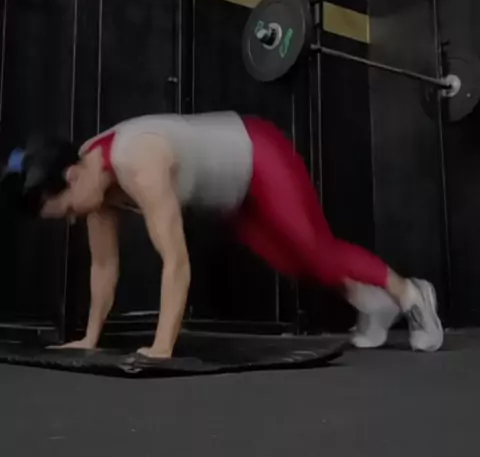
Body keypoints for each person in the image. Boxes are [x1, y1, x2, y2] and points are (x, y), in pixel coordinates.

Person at [1, 112, 443, 357]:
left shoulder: (137, 161)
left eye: (68, 210)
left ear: (73, 177)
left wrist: (161, 347)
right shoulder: (91, 179)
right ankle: (372, 303)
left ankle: (411, 294)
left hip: (258, 154)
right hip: (230, 198)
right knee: (293, 262)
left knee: (316, 250)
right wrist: (89, 339)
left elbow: (176, 262)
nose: (73, 219)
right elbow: (103, 265)